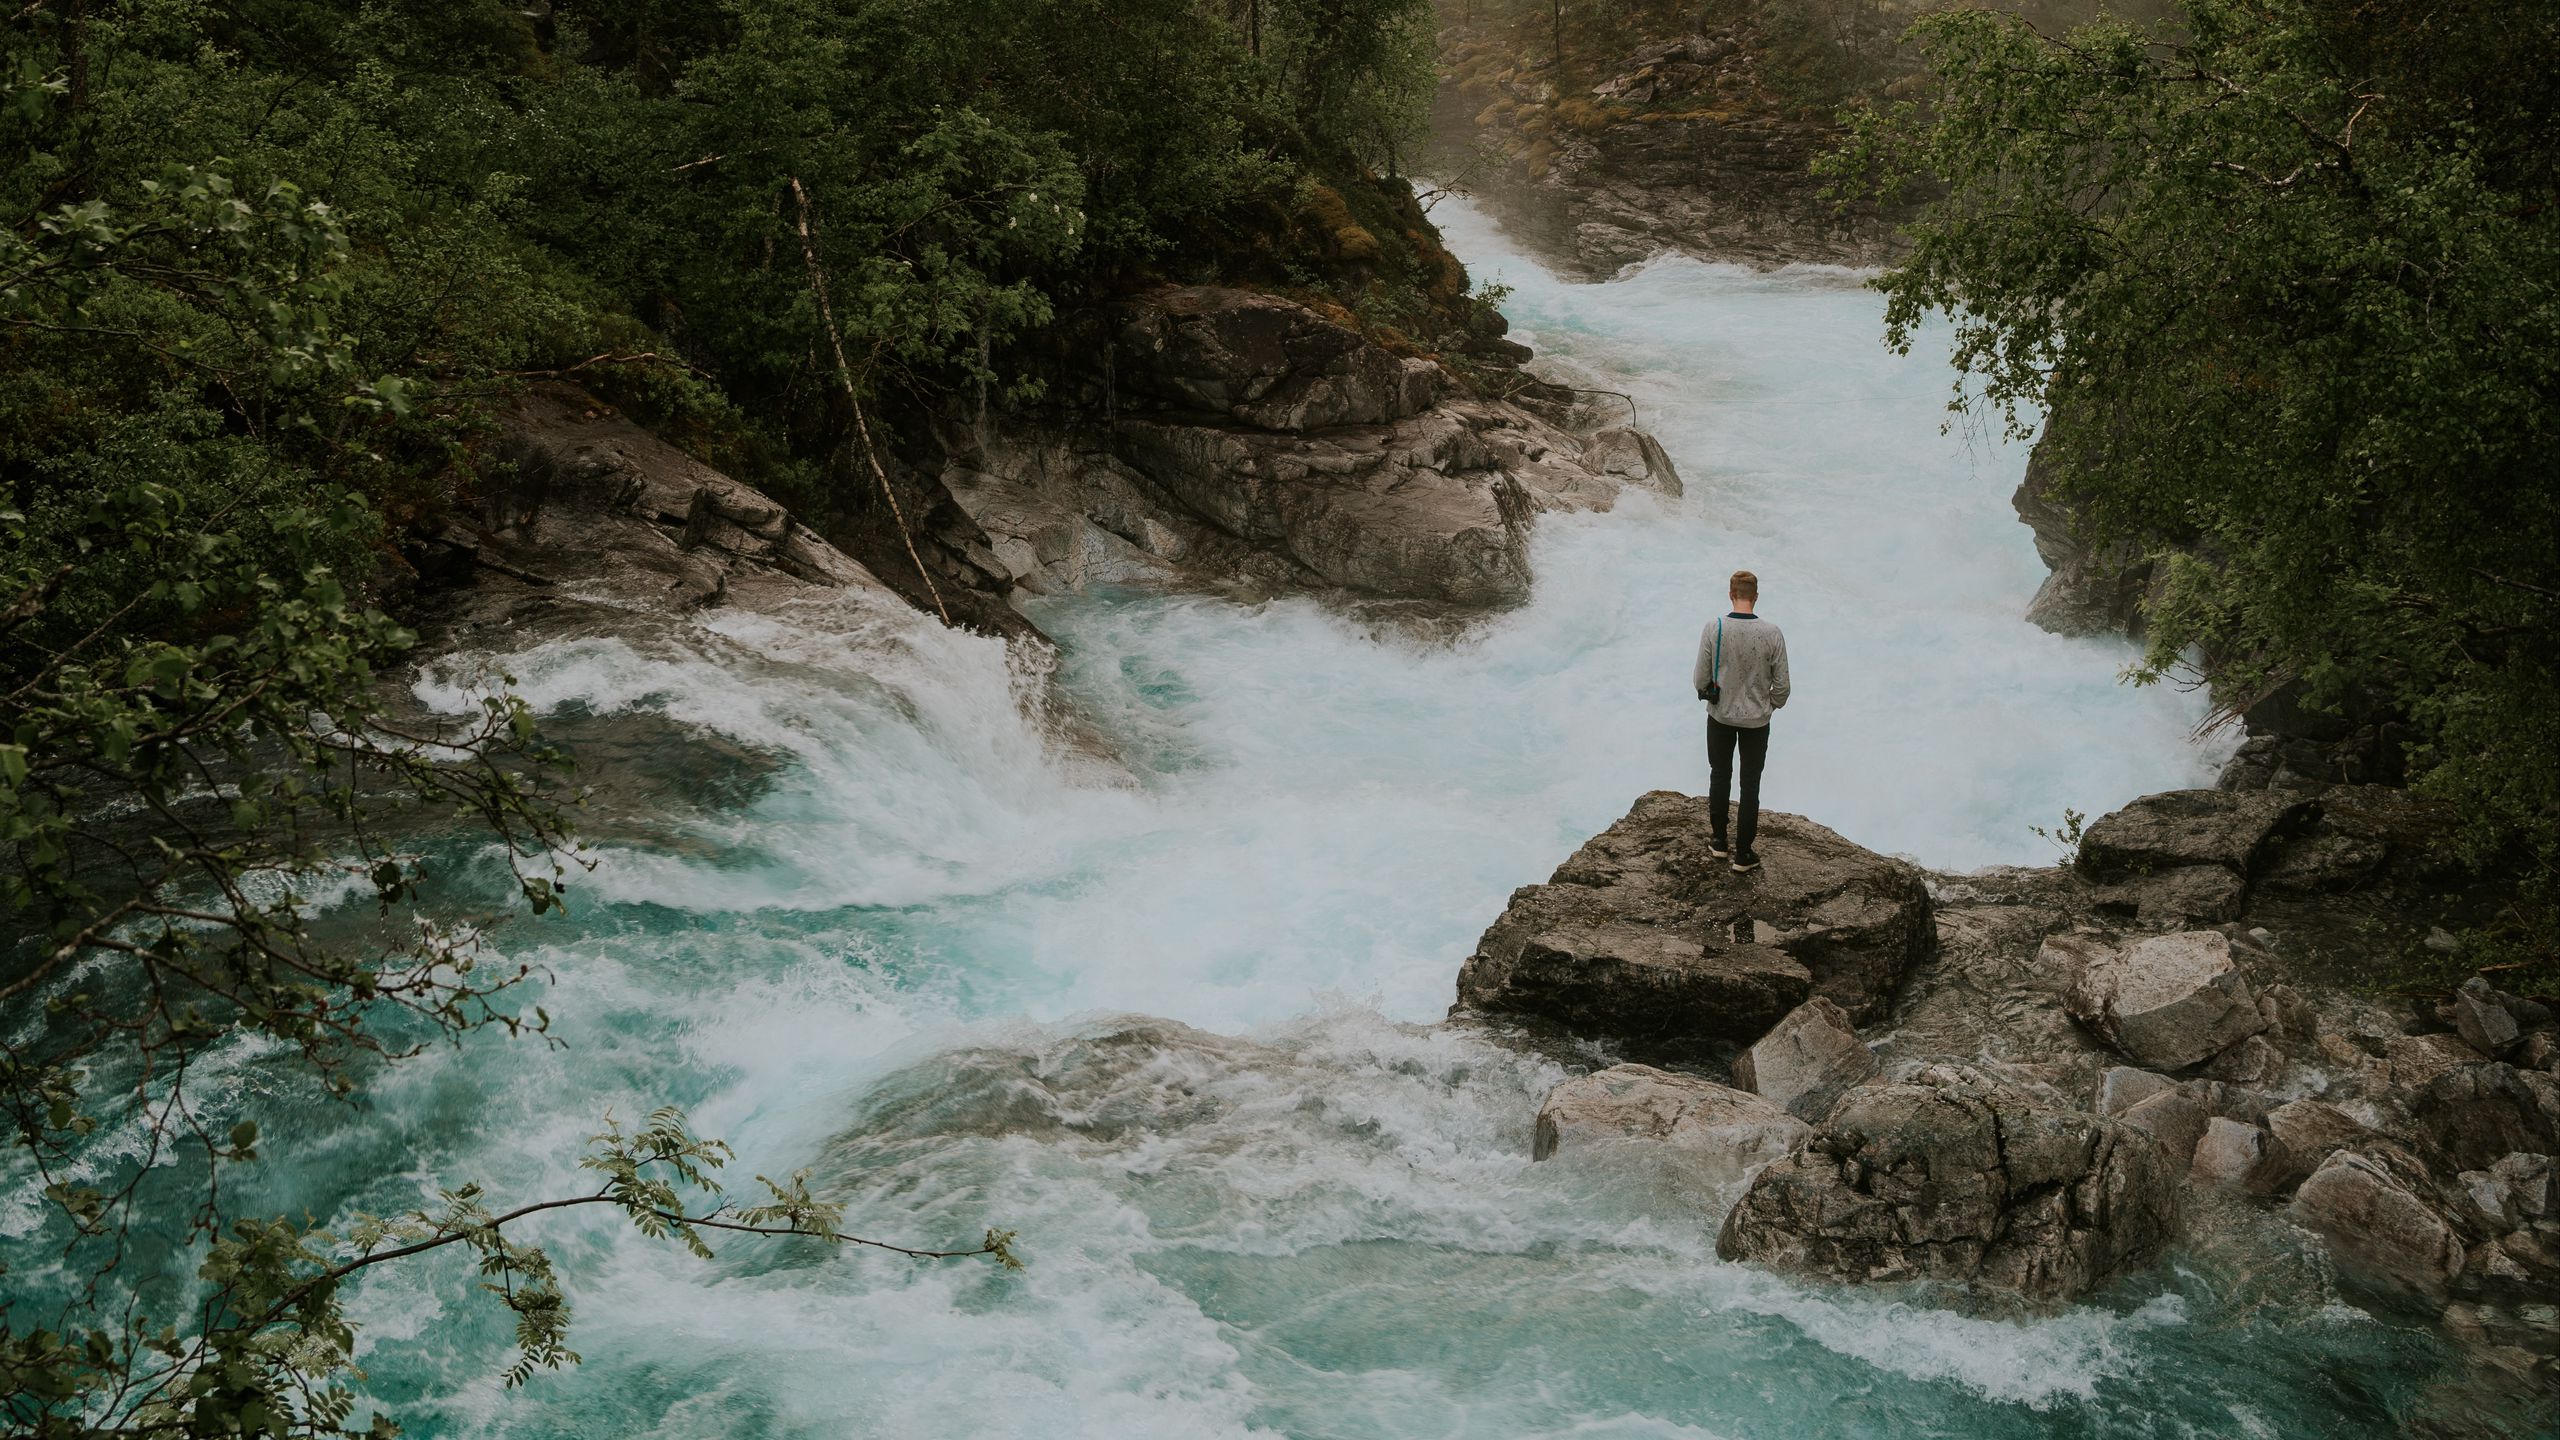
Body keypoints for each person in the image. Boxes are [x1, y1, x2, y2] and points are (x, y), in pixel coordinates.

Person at [1692, 569, 1790, 873]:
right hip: (1757, 723)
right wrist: (1768, 706)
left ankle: (1719, 841)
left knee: (1719, 775)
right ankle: (1744, 854)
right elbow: (1783, 687)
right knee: (1750, 785)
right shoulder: (1772, 632)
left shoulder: (1714, 627)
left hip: (1720, 717)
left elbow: (1700, 679)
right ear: (1756, 596)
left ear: (1731, 595)